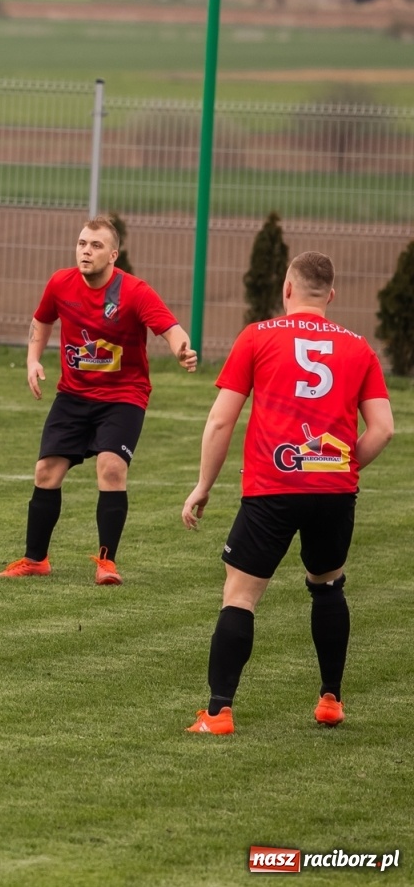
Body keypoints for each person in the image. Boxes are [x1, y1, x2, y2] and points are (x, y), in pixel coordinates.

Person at [181, 252, 394, 735]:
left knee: (240, 596)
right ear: (331, 296)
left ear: (286, 289)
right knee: (328, 584)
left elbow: (220, 419)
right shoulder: (359, 347)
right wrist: (339, 465)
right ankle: (330, 702)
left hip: (271, 488)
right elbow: (383, 430)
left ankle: (218, 713)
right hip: (334, 491)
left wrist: (203, 486)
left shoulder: (257, 336)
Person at [0, 216, 197, 585]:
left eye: (96, 246)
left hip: (123, 397)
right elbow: (41, 321)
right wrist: (32, 359)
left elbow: (170, 328)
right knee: (46, 472)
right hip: (73, 395)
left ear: (113, 255)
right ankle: (35, 559)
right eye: (82, 243)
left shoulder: (135, 292)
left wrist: (181, 350)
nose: (86, 251)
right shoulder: (60, 283)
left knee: (111, 468)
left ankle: (107, 564)